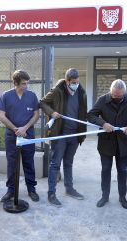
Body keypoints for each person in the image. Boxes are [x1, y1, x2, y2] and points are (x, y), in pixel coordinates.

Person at [87, 79, 127, 209]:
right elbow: (91, 115)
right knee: (106, 170)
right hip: (106, 142)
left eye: (119, 96)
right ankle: (105, 196)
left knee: (122, 170)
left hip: (123, 142)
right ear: (111, 91)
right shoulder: (102, 100)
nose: (116, 97)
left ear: (124, 93)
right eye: (114, 95)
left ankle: (122, 197)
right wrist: (103, 123)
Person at [40, 68, 87, 208]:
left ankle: (69, 188)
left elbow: (83, 111)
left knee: (69, 162)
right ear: (67, 81)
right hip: (60, 133)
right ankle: (51, 193)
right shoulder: (57, 91)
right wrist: (52, 112)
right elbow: (42, 102)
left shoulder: (81, 92)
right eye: (73, 82)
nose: (76, 84)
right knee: (55, 164)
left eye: (78, 82)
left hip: (75, 134)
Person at [0, 70, 40, 202]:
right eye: (23, 83)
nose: (26, 86)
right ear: (15, 83)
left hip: (28, 134)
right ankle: (11, 190)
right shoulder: (6, 95)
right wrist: (16, 129)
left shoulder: (32, 96)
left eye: (27, 83)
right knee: (12, 163)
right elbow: (1, 116)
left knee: (29, 162)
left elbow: (36, 115)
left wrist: (25, 128)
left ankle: (31, 189)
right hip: (12, 136)